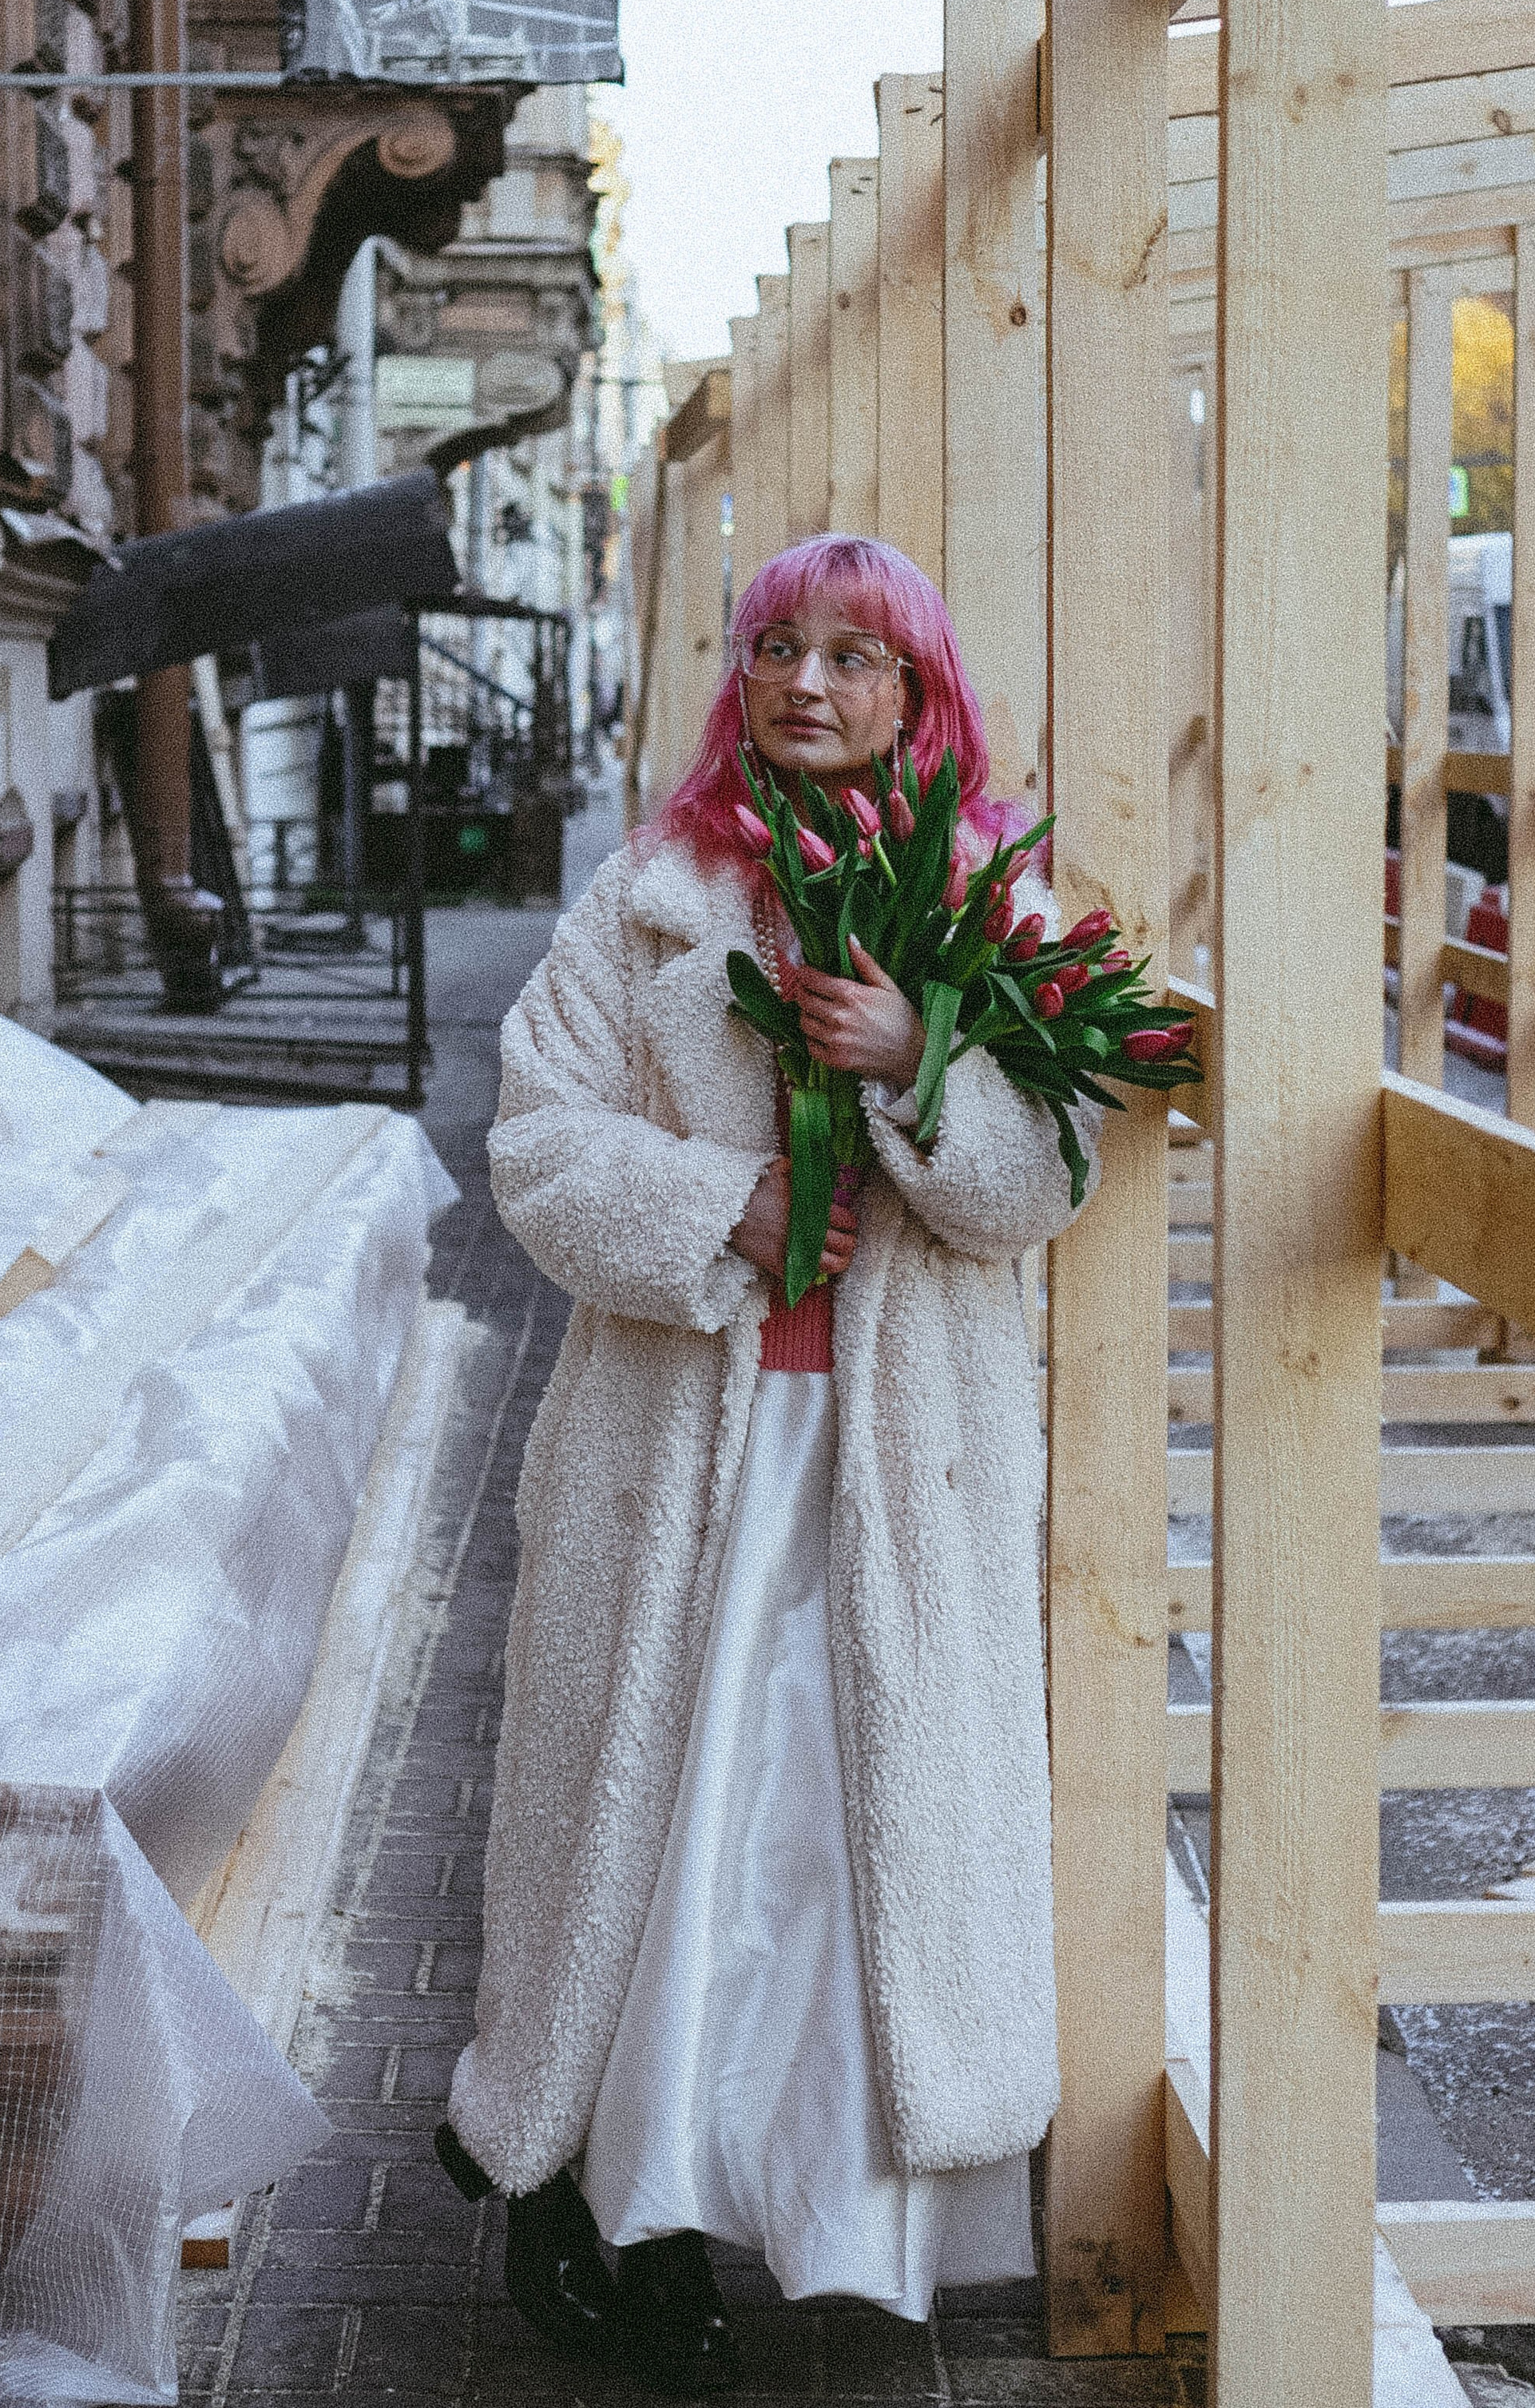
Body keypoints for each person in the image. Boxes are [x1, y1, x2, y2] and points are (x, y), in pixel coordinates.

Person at [433, 534, 1099, 2393]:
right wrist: (717, 1203)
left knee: (827, 1845)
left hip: (893, 1473)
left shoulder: (986, 906)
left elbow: (1035, 1188)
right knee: (666, 1827)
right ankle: (593, 2192)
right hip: (675, 1450)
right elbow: (536, 1146)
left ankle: (818, 2214)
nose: (806, 683)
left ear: (916, 691)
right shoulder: (649, 901)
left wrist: (912, 1058)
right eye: (774, 649)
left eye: (852, 657)